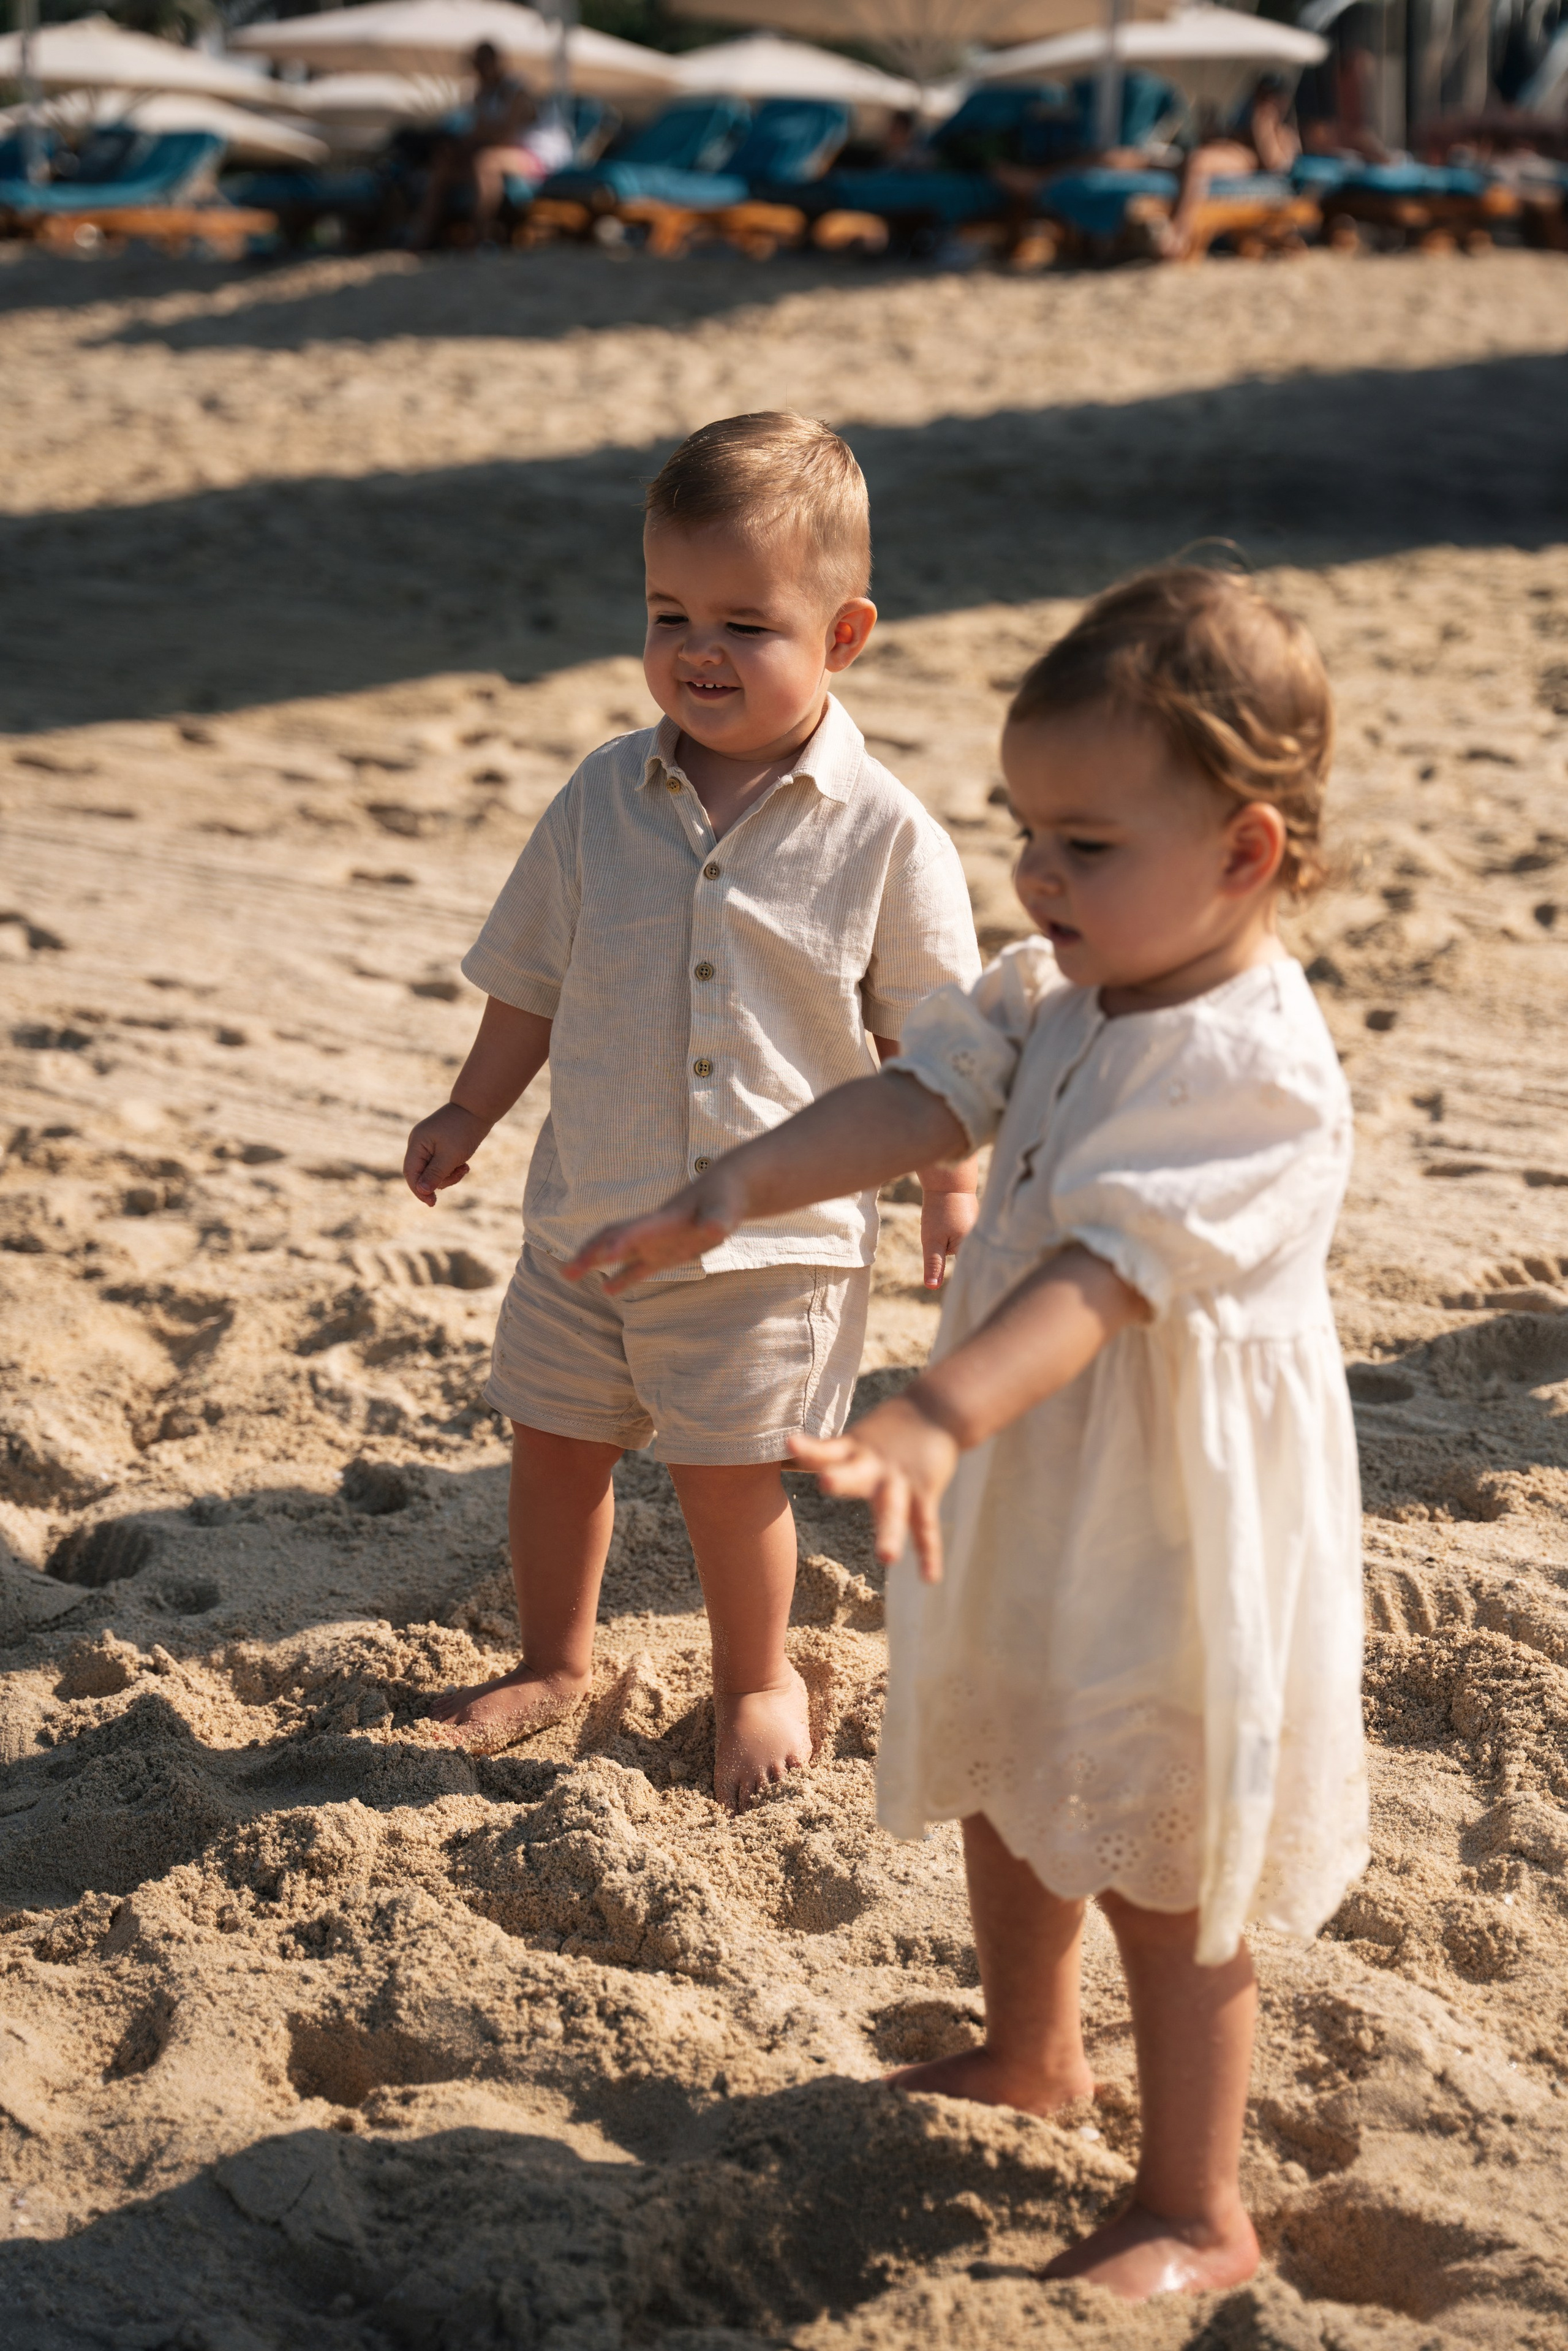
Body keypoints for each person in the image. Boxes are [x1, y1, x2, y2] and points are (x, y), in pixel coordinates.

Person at [567, 565, 1366, 2301]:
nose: (1036, 875)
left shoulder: (1253, 1062)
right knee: (1008, 1760)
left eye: (1086, 844)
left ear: (1242, 854)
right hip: (1025, 1474)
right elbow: (917, 1095)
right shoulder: (1054, 986)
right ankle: (1029, 2051)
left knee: (1166, 1844)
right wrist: (736, 1185)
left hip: (1168, 1504)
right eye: (1025, 829)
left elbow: (1100, 1281)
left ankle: (1196, 2201)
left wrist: (932, 1408)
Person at [402, 412, 981, 1808]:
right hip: (584, 1219)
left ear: (841, 636)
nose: (695, 649)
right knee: (553, 1445)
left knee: (730, 1482)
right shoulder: (604, 794)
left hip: (767, 1249)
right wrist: (470, 1107)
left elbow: (938, 1042)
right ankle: (553, 1658)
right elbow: (532, 979)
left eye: (744, 622)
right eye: (668, 612)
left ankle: (756, 1678)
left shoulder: (885, 832)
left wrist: (951, 1194)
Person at [409, 41, 566, 251]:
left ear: (497, 63)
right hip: (505, 152)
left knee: (486, 162)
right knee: (444, 168)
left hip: (540, 158)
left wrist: (478, 136)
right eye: (476, 65)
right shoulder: (482, 94)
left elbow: (505, 136)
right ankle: (421, 238)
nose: (479, 71)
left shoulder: (518, 91)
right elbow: (480, 135)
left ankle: (480, 236)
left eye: (482, 64)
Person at [1160, 76, 1302, 258]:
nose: (1263, 103)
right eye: (1261, 96)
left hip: (1244, 161)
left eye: (1269, 98)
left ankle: (1179, 232)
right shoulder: (1244, 117)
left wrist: (1263, 128)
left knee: (1198, 162)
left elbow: (1275, 166)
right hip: (1226, 153)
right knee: (1181, 162)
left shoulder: (1284, 133)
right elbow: (1223, 139)